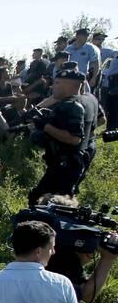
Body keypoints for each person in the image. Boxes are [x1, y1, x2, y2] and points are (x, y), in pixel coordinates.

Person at [26, 68, 87, 206]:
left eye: (57, 83)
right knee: (40, 199)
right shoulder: (68, 103)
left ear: (70, 86)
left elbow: (74, 139)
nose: (53, 86)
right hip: (60, 162)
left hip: (66, 164)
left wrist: (46, 126)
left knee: (53, 204)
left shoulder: (74, 106)